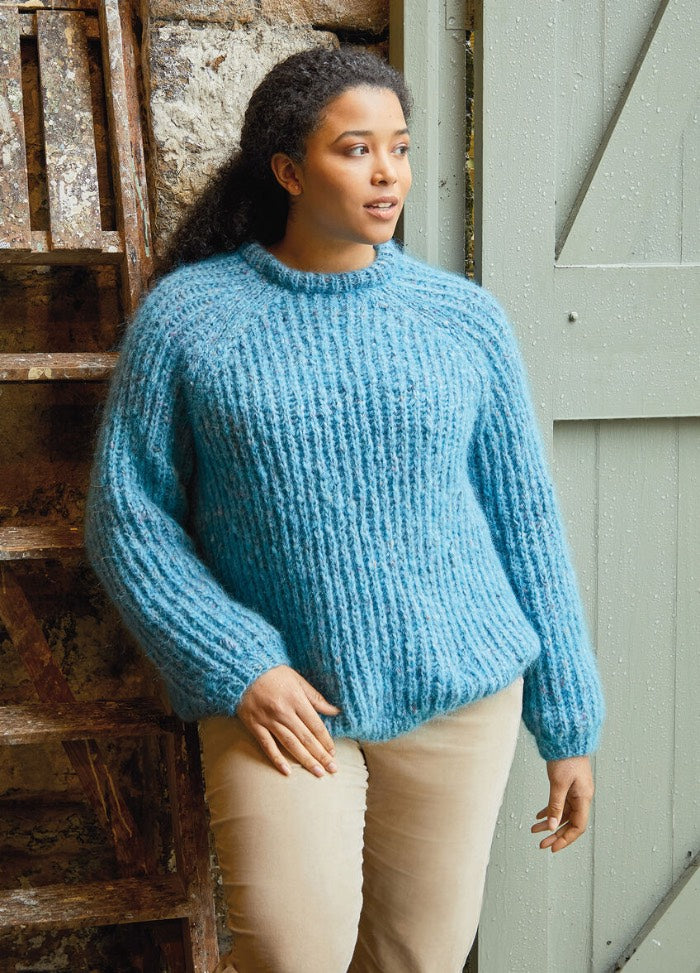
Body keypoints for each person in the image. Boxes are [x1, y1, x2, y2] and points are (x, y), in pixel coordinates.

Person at [84, 44, 606, 973]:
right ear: (287, 169)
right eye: (355, 149)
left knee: (416, 960)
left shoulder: (462, 319)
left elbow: (524, 521)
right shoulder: (192, 317)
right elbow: (130, 518)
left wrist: (569, 723)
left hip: (460, 691)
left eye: (399, 149)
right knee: (291, 953)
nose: (387, 173)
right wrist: (237, 662)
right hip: (283, 702)